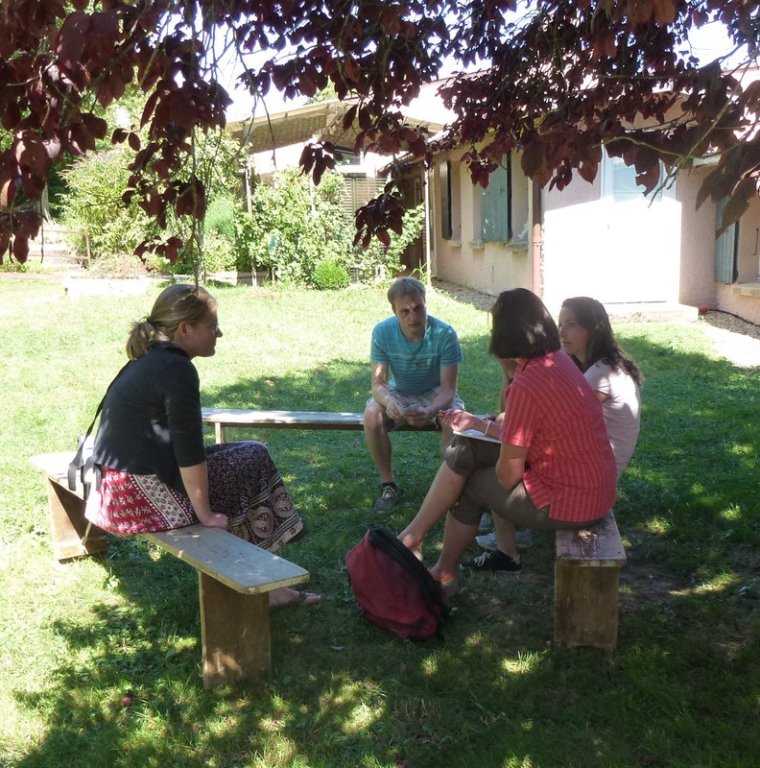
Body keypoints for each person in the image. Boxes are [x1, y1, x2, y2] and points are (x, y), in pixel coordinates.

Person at [84, 284, 320, 607]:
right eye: (212, 326)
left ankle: (264, 579)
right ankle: (267, 588)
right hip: (134, 498)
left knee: (245, 456)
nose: (219, 333)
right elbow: (189, 452)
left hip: (113, 489)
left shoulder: (150, 359)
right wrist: (205, 515)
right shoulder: (177, 369)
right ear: (185, 329)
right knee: (253, 459)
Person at [412, 288, 616, 594]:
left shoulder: (527, 384)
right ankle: (417, 538)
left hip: (572, 502)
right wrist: (482, 427)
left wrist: (485, 458)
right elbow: (533, 434)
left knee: (470, 483)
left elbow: (507, 476)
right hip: (595, 488)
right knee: (469, 448)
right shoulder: (556, 360)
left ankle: (440, 568)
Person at [474, 295, 642, 550]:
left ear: (594, 328)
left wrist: (487, 425)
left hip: (590, 471)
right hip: (588, 465)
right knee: (500, 445)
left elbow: (542, 424)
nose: (563, 332)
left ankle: (510, 532)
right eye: (560, 323)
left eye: (572, 324)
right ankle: (505, 526)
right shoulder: (577, 365)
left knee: (496, 457)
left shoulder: (600, 375)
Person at [364, 276, 464, 512]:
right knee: (371, 414)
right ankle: (388, 484)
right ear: (394, 312)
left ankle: (453, 487)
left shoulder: (445, 333)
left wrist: (430, 410)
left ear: (425, 303)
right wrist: (389, 402)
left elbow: (448, 389)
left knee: (456, 419)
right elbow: (378, 384)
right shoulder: (382, 332)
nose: (413, 316)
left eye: (418, 308)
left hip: (436, 391)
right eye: (405, 311)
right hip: (400, 390)